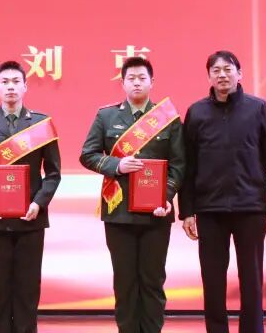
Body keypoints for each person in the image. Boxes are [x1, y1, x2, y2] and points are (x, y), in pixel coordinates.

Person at [179, 50, 266, 333]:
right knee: (212, 280)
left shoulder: (258, 108)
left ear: (240, 74)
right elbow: (188, 166)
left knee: (251, 280)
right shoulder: (196, 112)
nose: (222, 75)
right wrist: (186, 211)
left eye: (228, 69)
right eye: (216, 70)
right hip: (209, 210)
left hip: (250, 208)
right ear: (209, 77)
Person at [79, 55, 186, 333]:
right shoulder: (106, 116)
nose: (136, 83)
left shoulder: (168, 118)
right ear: (123, 83)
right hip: (119, 213)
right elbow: (88, 155)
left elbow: (179, 164)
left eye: (142, 78)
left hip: (156, 213)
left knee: (152, 281)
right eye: (131, 78)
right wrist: (116, 165)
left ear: (152, 82)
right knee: (125, 282)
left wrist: (166, 196)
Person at [0, 60, 62, 333]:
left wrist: (38, 203)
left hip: (31, 218)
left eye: (16, 82)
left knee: (27, 288)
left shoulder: (41, 124)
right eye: (5, 82)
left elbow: (53, 173)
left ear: (25, 87)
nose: (10, 87)